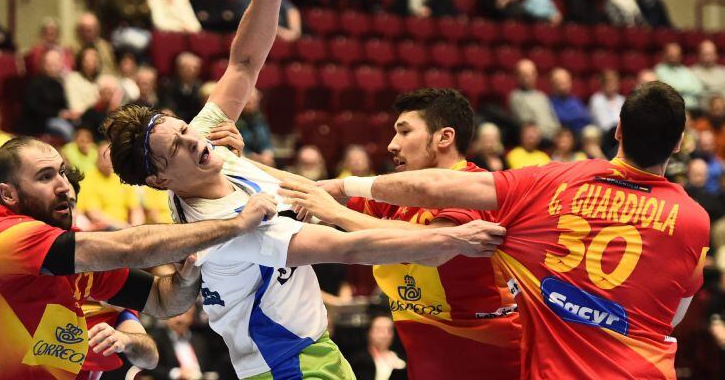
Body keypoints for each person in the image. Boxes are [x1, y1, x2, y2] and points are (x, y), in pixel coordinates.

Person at [102, 0, 506, 379]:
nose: (194, 139)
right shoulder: (233, 227)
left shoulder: (208, 150)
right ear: (160, 179)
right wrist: (454, 240)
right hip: (287, 366)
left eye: (185, 128)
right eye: (179, 146)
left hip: (306, 352)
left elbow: (243, 63)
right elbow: (351, 248)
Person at [328, 81, 711, 379]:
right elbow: (674, 316)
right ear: (680, 143)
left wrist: (347, 185)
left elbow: (437, 187)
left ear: (618, 130)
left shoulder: (554, 182)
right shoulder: (695, 220)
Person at [0, 133, 282, 379]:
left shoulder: (79, 283)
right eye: (45, 177)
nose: (63, 186)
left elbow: (163, 302)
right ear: (8, 193)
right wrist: (236, 224)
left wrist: (186, 276)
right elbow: (128, 247)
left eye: (62, 173)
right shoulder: (0, 236)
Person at [278, 89, 522, 379]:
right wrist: (230, 161)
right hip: (432, 366)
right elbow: (303, 188)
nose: (393, 145)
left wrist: (336, 212)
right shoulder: (395, 198)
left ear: (444, 137)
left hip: (498, 365)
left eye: (405, 132)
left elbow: (430, 244)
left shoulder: (475, 189)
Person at [64, 168, 159, 380]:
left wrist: (125, 339)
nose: (65, 212)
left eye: (70, 204)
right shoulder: (15, 265)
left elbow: (150, 358)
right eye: (57, 203)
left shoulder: (101, 274)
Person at [144, 305, 226, 380]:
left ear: (191, 317)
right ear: (166, 318)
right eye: (174, 315)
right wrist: (177, 373)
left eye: (184, 314)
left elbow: (208, 366)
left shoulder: (199, 340)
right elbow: (149, 368)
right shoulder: (156, 340)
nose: (179, 319)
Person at [77, 143, 144, 230]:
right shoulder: (89, 179)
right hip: (103, 228)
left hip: (125, 227)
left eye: (110, 156)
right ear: (97, 159)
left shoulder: (122, 178)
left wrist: (136, 227)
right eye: (104, 156)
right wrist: (123, 226)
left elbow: (136, 208)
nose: (108, 160)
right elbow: (93, 213)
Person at [22, 49, 78, 140]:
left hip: (57, 119)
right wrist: (58, 113)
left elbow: (62, 106)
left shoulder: (59, 84)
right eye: (50, 64)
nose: (53, 67)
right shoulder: (35, 83)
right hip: (40, 122)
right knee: (67, 130)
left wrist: (69, 114)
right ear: (43, 65)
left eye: (56, 64)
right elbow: (33, 107)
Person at [509, 59, 560, 141]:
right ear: (518, 77)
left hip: (553, 136)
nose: (528, 78)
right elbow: (526, 123)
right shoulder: (516, 97)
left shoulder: (542, 96)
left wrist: (559, 134)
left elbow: (553, 119)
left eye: (531, 74)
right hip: (539, 138)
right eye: (524, 75)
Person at [349, 316, 407, 380]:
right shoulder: (358, 361)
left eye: (389, 330)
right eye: (379, 330)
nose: (385, 334)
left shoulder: (401, 358)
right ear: (369, 332)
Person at [655, 43, 704, 111]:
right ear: (665, 55)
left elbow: (698, 88)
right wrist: (687, 88)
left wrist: (680, 89)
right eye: (671, 55)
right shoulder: (659, 70)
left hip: (692, 109)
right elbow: (669, 89)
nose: (674, 57)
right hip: (671, 109)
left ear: (680, 56)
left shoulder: (687, 71)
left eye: (676, 55)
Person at [159, 52, 205, 123]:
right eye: (188, 68)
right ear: (180, 69)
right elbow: (167, 105)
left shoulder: (201, 87)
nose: (192, 71)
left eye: (195, 68)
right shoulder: (168, 86)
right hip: (175, 121)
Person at [236, 88, 276, 166]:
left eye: (254, 101)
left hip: (261, 160)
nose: (251, 103)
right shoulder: (235, 120)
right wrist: (253, 156)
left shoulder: (259, 118)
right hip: (243, 159)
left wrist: (268, 153)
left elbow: (266, 142)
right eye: (248, 101)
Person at [549, 67, 591, 134]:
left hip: (582, 133)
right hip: (565, 134)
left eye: (566, 82)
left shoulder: (576, 100)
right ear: (553, 85)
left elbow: (586, 117)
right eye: (560, 83)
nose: (564, 86)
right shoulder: (551, 103)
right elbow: (562, 119)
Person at [66, 46, 104, 115]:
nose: (92, 60)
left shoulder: (102, 79)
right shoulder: (73, 78)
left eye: (95, 57)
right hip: (83, 120)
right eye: (88, 58)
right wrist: (99, 103)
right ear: (81, 61)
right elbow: (76, 109)